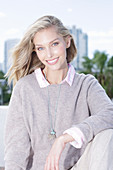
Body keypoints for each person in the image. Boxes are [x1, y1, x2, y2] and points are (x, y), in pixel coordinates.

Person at [4, 15, 113, 170]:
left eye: (54, 44)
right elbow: (16, 148)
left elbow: (109, 113)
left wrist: (64, 139)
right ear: (35, 51)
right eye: (41, 48)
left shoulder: (86, 84)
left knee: (107, 134)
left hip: (80, 166)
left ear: (67, 41)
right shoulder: (24, 88)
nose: (49, 54)